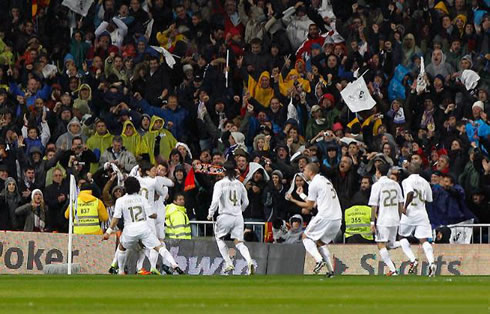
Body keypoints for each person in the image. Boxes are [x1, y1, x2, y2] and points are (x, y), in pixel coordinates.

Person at [103, 177, 183, 275]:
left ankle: (121, 271)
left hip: (130, 230)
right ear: (137, 187)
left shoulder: (121, 200)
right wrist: (155, 215)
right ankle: (174, 264)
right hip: (144, 228)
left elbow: (116, 218)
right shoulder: (142, 198)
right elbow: (150, 214)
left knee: (122, 247)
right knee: (159, 247)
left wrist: (108, 232)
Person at [288, 163, 341, 278]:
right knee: (320, 242)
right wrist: (301, 195)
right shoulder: (324, 181)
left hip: (325, 216)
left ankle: (319, 260)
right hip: (337, 218)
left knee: (305, 237)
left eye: (305, 171)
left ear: (310, 172)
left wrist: (293, 200)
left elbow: (309, 206)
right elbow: (315, 203)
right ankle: (331, 271)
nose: (304, 173)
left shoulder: (314, 184)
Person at [207, 160, 254, 275]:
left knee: (219, 238)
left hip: (225, 216)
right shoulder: (240, 184)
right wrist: (240, 210)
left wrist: (210, 213)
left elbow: (215, 200)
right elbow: (246, 202)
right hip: (238, 217)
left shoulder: (220, 184)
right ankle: (249, 261)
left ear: (224, 171)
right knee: (239, 242)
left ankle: (228, 262)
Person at [399, 163, 436, 277]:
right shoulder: (425, 182)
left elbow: (410, 193)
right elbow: (429, 199)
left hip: (410, 213)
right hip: (422, 213)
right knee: (424, 240)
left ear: (409, 170)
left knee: (401, 236)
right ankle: (432, 263)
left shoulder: (406, 181)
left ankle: (413, 259)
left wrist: (405, 207)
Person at [369, 163, 404, 276]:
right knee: (390, 244)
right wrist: (400, 219)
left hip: (383, 220)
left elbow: (374, 206)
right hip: (395, 219)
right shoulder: (396, 184)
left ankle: (392, 269)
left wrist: (372, 222)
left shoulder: (377, 185)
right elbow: (400, 204)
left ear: (378, 172)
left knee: (380, 244)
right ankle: (404, 244)